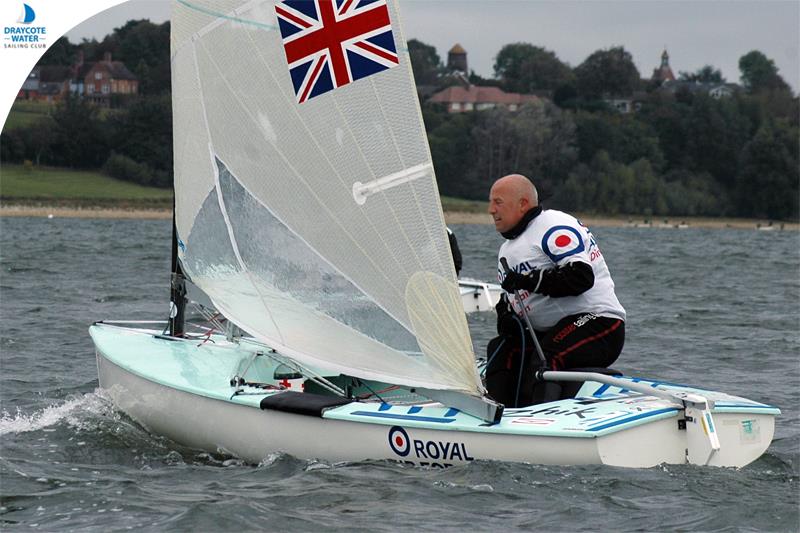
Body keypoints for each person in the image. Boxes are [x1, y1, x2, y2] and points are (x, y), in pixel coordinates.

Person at [485, 174, 625, 407]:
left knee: (547, 357)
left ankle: (540, 424)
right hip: (552, 329)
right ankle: (496, 417)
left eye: (498, 202)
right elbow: (515, 297)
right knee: (501, 350)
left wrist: (528, 280)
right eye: (490, 202)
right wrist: (507, 315)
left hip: (599, 322)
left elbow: (580, 277)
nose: (491, 210)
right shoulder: (507, 250)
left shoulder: (553, 225)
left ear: (523, 203)